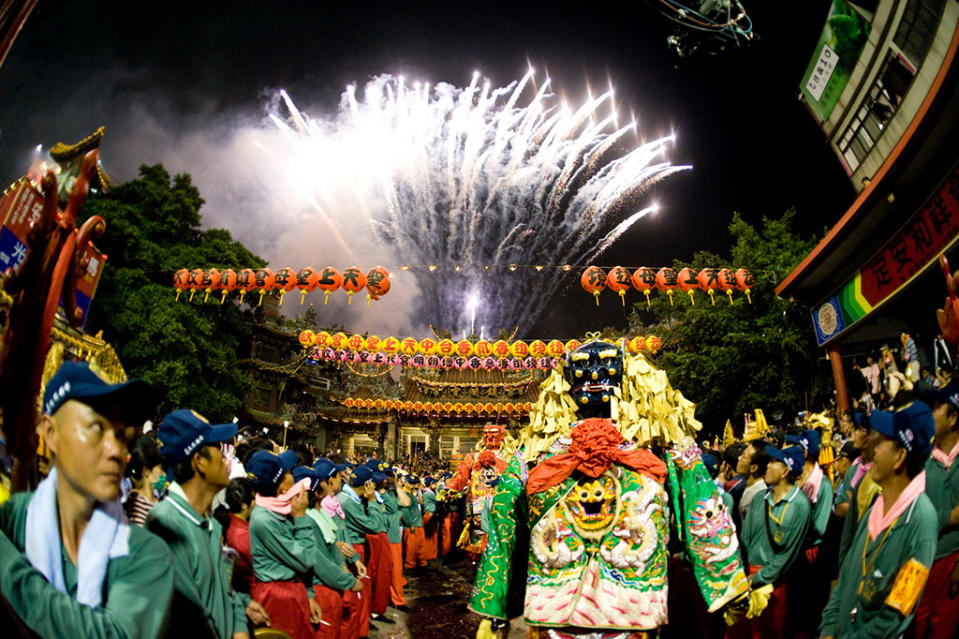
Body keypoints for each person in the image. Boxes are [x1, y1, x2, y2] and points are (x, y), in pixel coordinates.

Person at [0, 361, 173, 638]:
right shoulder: (12, 520)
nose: (116, 451)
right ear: (50, 432)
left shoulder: (144, 553)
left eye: (120, 435)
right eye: (96, 428)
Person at [819, 401, 938, 639]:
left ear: (899, 456)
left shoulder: (922, 520)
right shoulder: (877, 505)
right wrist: (829, 629)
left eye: (882, 440)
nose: (872, 447)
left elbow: (895, 615)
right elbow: (844, 585)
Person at [147, 409, 269, 639]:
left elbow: (223, 590)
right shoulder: (166, 523)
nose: (226, 459)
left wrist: (240, 620)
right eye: (219, 449)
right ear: (199, 462)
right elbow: (188, 619)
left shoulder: (208, 523)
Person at [728, 444, 811, 639]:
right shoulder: (759, 498)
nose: (767, 466)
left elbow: (787, 554)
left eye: (774, 462)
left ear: (785, 471)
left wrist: (759, 579)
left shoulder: (800, 506)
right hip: (746, 577)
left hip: (773, 584)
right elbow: (745, 540)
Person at [247, 449, 321, 639]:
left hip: (292, 588)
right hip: (278, 595)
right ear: (280, 487)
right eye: (288, 473)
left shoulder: (278, 508)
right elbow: (305, 559)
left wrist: (308, 594)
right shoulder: (265, 519)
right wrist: (301, 517)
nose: (292, 476)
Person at [909, 384, 959, 639]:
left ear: (953, 418)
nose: (930, 413)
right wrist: (948, 517)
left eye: (937, 408)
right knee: (915, 626)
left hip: (951, 564)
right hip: (918, 562)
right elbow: (914, 516)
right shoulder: (923, 458)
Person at [293, 465, 364, 639]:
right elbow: (319, 561)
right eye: (325, 482)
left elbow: (331, 544)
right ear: (317, 492)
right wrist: (348, 581)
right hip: (322, 587)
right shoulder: (308, 520)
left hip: (332, 584)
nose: (331, 483)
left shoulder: (320, 513)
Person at [338, 464, 390, 637]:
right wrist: (373, 502)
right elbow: (375, 526)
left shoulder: (349, 498)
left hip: (356, 547)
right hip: (354, 549)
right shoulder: (348, 502)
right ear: (367, 485)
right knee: (358, 594)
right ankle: (359, 631)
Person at [218, 478, 257, 596]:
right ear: (244, 506)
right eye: (254, 498)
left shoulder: (234, 525)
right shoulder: (241, 536)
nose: (256, 502)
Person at [123, 436, 164, 526]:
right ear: (147, 472)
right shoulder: (137, 507)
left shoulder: (158, 501)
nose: (163, 475)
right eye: (160, 469)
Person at [735, 440, 769, 527]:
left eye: (744, 457)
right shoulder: (747, 487)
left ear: (753, 468)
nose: (739, 458)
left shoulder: (759, 495)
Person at [401, 475, 427, 570]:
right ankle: (410, 565)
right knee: (411, 548)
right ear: (405, 482)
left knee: (419, 546)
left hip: (418, 523)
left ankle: (421, 563)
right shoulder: (403, 494)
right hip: (411, 525)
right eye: (411, 483)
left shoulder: (412, 493)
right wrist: (410, 523)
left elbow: (421, 502)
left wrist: (419, 491)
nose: (413, 485)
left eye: (414, 483)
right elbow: (405, 511)